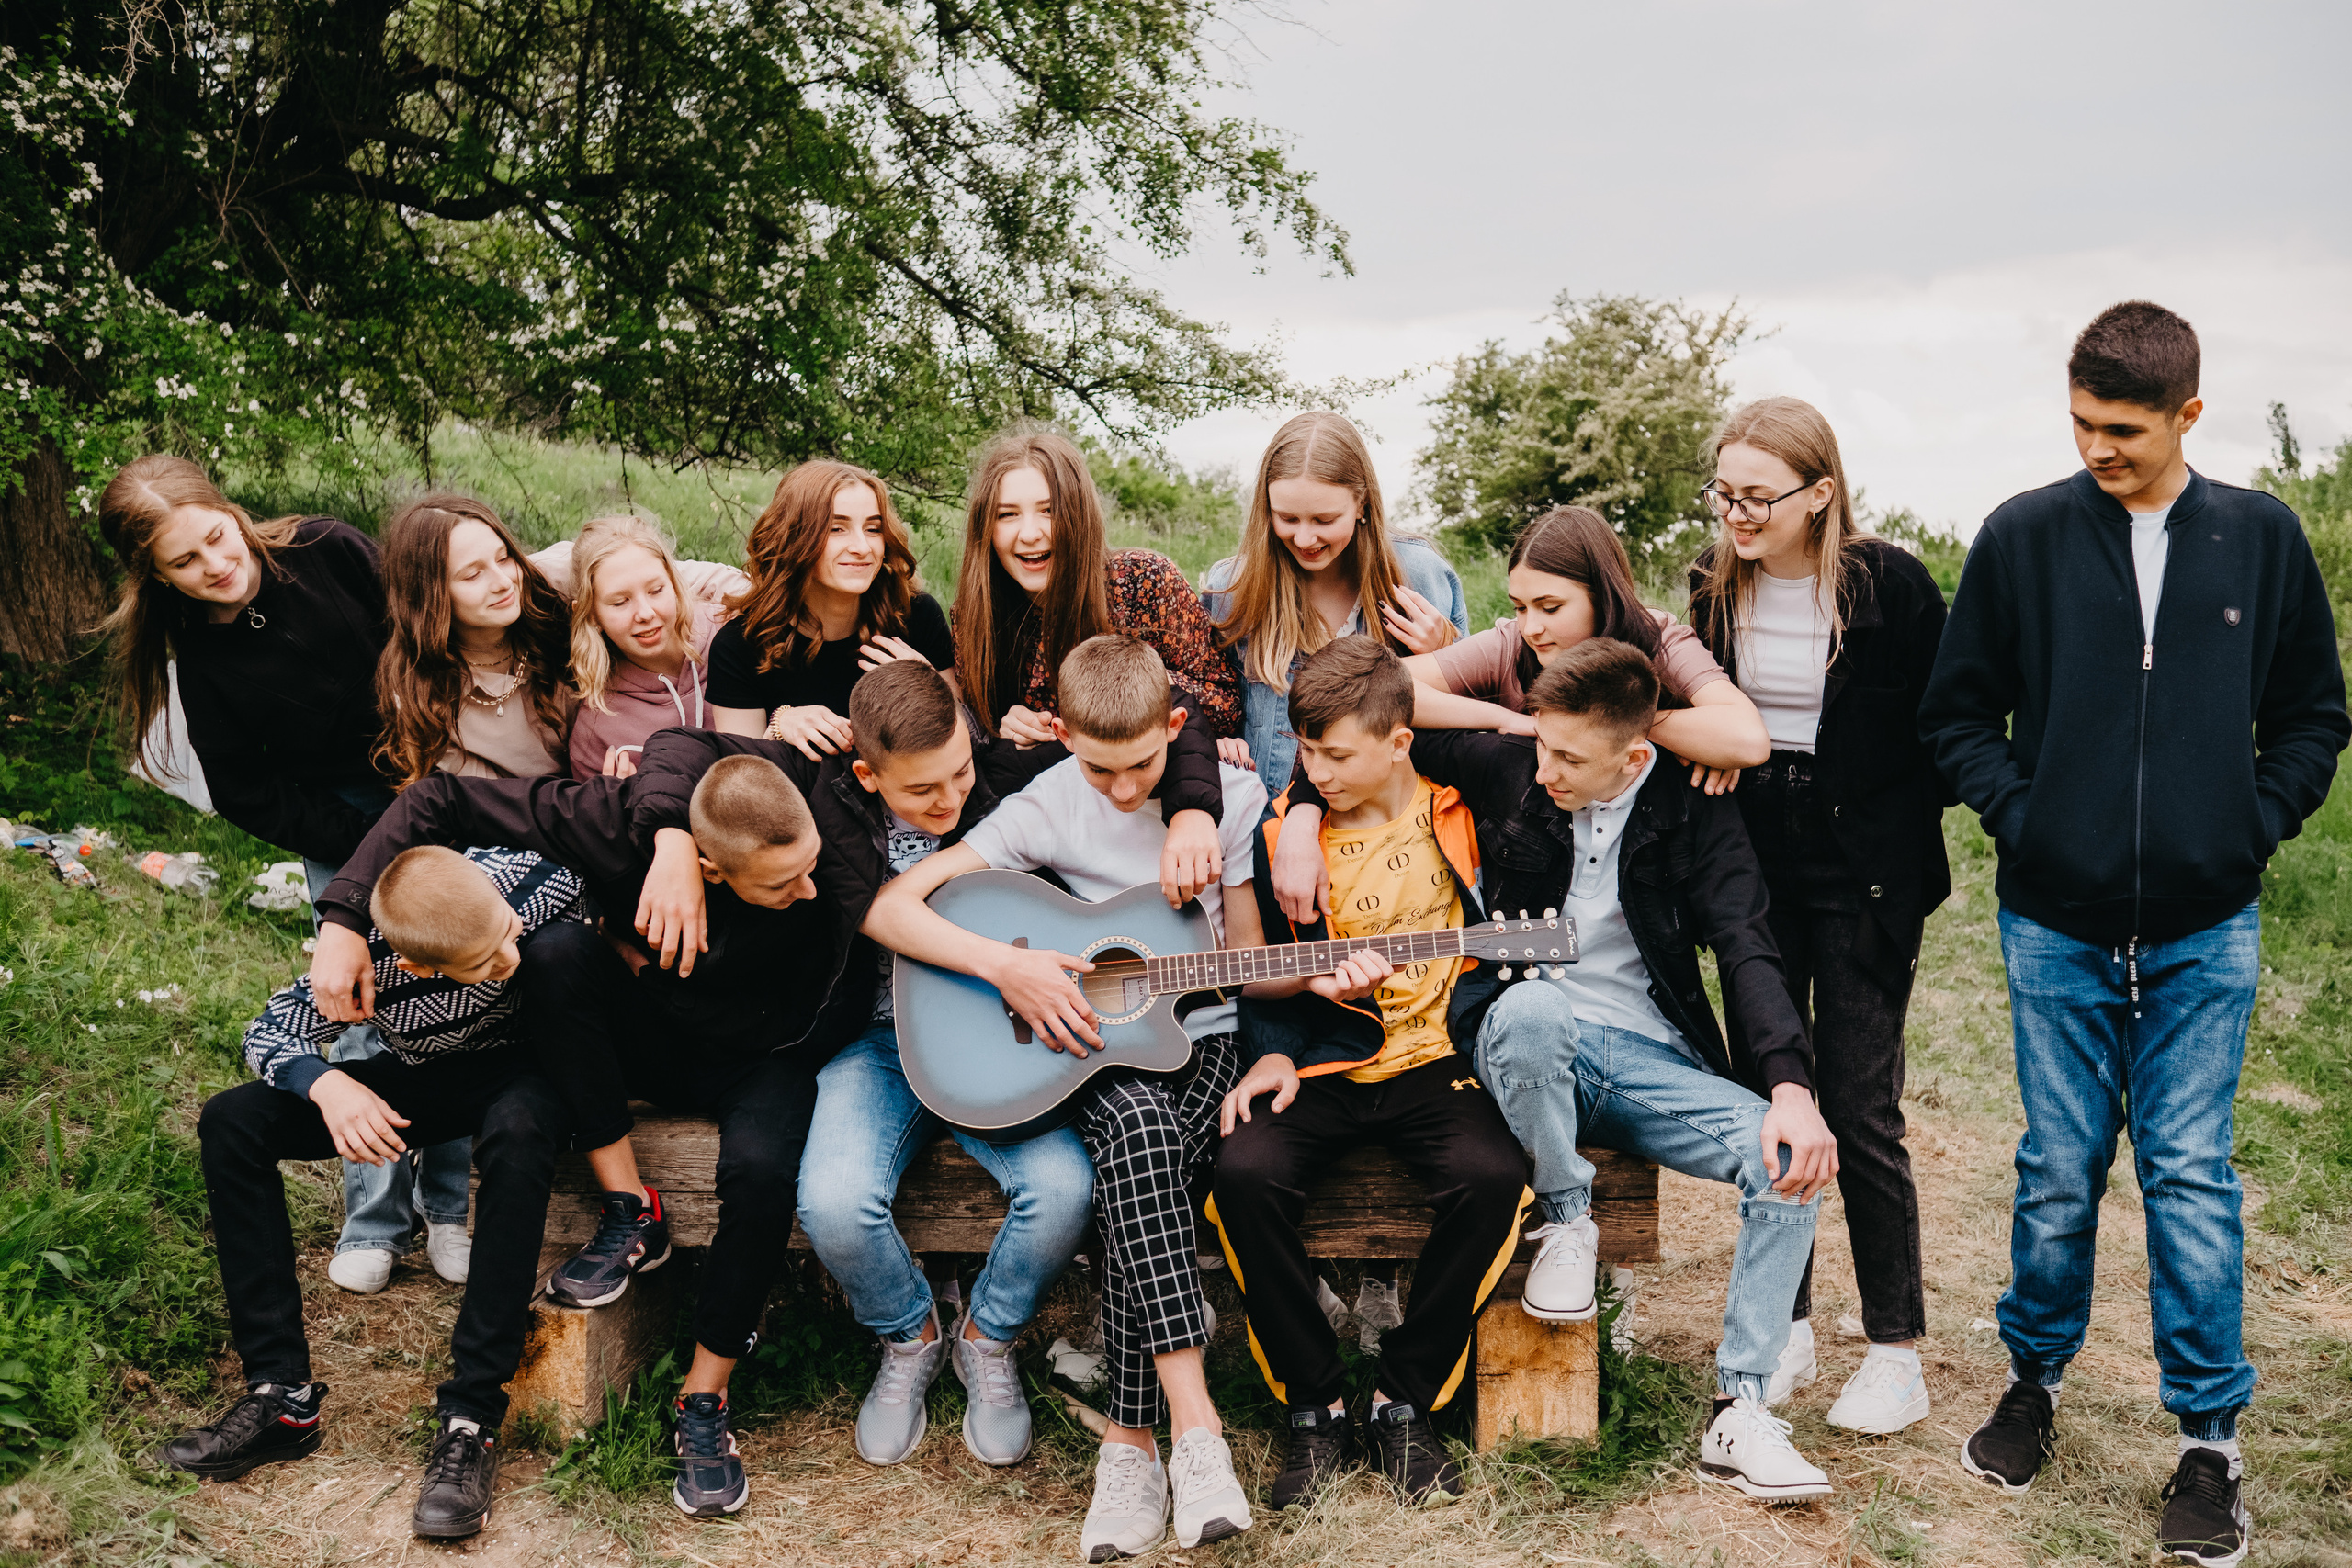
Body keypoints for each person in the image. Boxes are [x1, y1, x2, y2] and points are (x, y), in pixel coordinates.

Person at [1921, 301, 2348, 1566]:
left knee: (2189, 1171)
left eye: (2121, 428)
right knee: (2058, 1167)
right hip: (2054, 919)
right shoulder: (2024, 535)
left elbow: (2316, 715)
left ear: (2187, 416)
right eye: (2080, 422)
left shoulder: (2262, 540)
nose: (2095, 447)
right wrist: (2028, 819)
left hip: (2205, 924)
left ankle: (2211, 1442)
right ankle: (2032, 1384)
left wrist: (2247, 827)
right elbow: (1957, 714)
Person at [1271, 637, 1841, 1502]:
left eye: (1569, 756)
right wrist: (1306, 816)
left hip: (1642, 1057)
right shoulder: (1514, 768)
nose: (1545, 770)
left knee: (1785, 1162)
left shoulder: (1691, 806)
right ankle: (1567, 1216)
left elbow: (1748, 947)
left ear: (1637, 755)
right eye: (1540, 742)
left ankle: (1743, 1405)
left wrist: (1793, 1094)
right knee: (1535, 1008)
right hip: (1519, 1048)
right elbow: (1363, 724)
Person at [865, 637, 1262, 1560]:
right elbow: (893, 907)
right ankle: (1195, 1432)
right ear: (1061, 736)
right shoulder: (1045, 803)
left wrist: (1328, 975)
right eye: (1097, 767)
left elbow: (1248, 962)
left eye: (1141, 767)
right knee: (1133, 1124)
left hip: (1199, 1042)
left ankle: (1132, 1446)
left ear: (1175, 728)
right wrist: (1008, 965)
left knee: (1140, 1147)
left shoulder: (1230, 802)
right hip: (1095, 1050)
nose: (1121, 790)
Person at [93, 456, 469, 1298]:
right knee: (364, 1001)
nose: (215, 566)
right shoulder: (192, 650)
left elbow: (422, 632)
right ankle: (375, 1220)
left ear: (231, 512)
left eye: (217, 540)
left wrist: (431, 771)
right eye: (184, 563)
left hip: (429, 774)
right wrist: (360, 837)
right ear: (154, 576)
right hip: (336, 818)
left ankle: (451, 1208)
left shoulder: (329, 549)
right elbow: (243, 788)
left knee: (451, 984)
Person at [160, 846, 586, 1539]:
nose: (509, 959)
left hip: (529, 1081)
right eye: (484, 962)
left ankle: (471, 1417)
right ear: (414, 964)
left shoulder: (528, 885)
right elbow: (266, 1029)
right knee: (231, 1119)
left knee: (518, 1125)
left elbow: (589, 857)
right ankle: (282, 1398)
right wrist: (328, 1083)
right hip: (428, 1077)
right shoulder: (379, 962)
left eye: (506, 935)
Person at [1206, 636, 1530, 1510]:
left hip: (1435, 1057)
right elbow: (1256, 965)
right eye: (1306, 750)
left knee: (1495, 1177)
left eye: (1336, 754)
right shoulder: (1283, 830)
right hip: (1321, 1057)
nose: (1317, 771)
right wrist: (1283, 1030)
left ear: (1398, 740)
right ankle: (1315, 1403)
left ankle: (1404, 1398)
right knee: (1242, 1172)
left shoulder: (1462, 812)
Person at [1682, 397, 1952, 1434]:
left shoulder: (1891, 588)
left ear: (1820, 493)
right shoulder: (1712, 587)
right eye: (1726, 492)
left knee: (1857, 1102)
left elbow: (1943, 726)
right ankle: (1784, 1323)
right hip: (1752, 853)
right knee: (1769, 1094)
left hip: (1863, 867)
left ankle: (1893, 1349)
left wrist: (1889, 822)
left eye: (1759, 496)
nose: (1737, 513)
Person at [789, 662, 1097, 1474]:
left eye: (959, 769)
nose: (949, 797)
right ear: (868, 772)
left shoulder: (1000, 773)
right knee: (834, 1202)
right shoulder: (838, 807)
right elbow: (875, 915)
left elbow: (1163, 732)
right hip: (880, 1047)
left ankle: (988, 1335)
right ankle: (910, 1332)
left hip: (1000, 1042)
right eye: (922, 788)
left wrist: (1205, 803)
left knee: (1065, 1188)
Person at [1269, 504, 1772, 930]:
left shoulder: (1659, 638)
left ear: (1603, 593)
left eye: (1551, 607)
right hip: (1523, 883)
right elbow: (1374, 691)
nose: (1532, 626)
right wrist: (1501, 717)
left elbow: (1745, 741)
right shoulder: (1512, 643)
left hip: (1645, 893)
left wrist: (1618, 723)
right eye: (1521, 606)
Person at [1200, 410, 1469, 786]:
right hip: (1269, 820)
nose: (1305, 539)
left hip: (1385, 824)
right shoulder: (1233, 586)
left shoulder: (1419, 574)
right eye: (1288, 519)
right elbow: (1213, 698)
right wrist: (1215, 734)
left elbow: (1471, 708)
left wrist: (1443, 654)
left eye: (1324, 520)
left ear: (1362, 504)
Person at [952, 429, 1243, 746]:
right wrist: (1004, 727)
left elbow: (1225, 709)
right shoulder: (972, 614)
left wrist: (1134, 682)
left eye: (1049, 510)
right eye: (1007, 514)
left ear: (1079, 515)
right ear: (985, 528)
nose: (1030, 533)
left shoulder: (1144, 580)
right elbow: (976, 742)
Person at [706, 460, 956, 759]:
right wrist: (780, 724)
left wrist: (929, 687)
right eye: (837, 528)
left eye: (873, 529)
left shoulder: (915, 615)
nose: (862, 547)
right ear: (793, 536)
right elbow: (741, 785)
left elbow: (964, 743)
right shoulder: (741, 645)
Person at [374, 493, 579, 786]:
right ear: (431, 597)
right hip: (547, 814)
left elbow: (662, 583)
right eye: (472, 575)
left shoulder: (559, 581)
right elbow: (493, 805)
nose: (503, 582)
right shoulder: (423, 695)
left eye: (504, 557)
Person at [533, 512, 749, 780]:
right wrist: (620, 805)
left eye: (656, 590)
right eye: (620, 602)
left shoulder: (736, 635)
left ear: (674, 581)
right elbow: (595, 818)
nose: (645, 613)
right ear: (591, 615)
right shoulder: (598, 732)